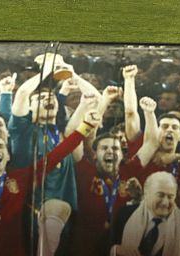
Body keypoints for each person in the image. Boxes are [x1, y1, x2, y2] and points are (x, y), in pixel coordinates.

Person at [0, 91, 99, 256]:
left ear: (8, 156)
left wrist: (86, 125)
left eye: (1, 147)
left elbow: (56, 155)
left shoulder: (20, 178)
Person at [69, 96, 161, 256]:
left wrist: (149, 113)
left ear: (122, 154)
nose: (110, 151)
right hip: (85, 247)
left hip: (122, 245)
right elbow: (73, 140)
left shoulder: (129, 170)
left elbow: (152, 143)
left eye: (115, 148)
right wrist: (86, 118)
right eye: (104, 148)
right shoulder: (85, 170)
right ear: (95, 155)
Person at [111, 171, 180, 256]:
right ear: (147, 193)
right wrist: (116, 250)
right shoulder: (125, 215)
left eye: (170, 197)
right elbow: (103, 246)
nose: (165, 202)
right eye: (160, 195)